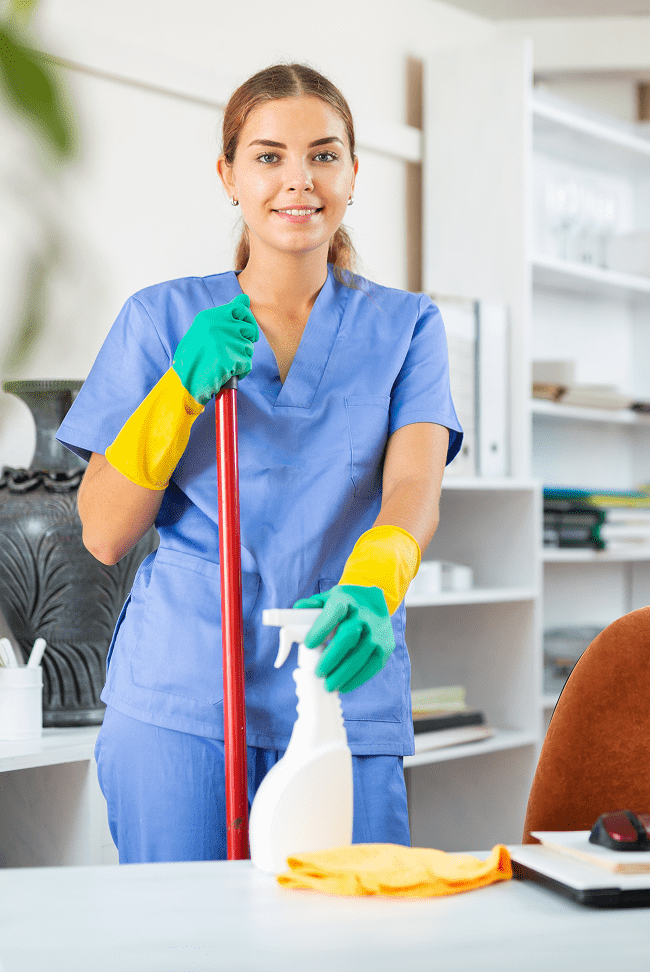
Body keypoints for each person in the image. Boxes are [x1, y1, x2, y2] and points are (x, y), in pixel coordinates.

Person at [56, 63, 462, 863]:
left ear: (352, 173)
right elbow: (104, 531)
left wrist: (375, 584)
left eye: (323, 154)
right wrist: (177, 390)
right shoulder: (162, 318)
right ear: (229, 176)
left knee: (351, 936)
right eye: (269, 156)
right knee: (189, 942)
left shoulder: (410, 326)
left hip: (342, 677)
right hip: (185, 695)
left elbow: (414, 485)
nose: (298, 180)